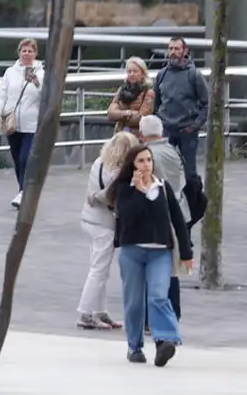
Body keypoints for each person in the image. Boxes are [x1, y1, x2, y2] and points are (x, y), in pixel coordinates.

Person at [108, 145, 192, 366]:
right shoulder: (125, 189)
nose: (146, 165)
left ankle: (165, 340)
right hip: (132, 251)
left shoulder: (163, 187)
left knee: (158, 296)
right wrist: (138, 191)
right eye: (141, 161)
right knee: (134, 301)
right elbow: (128, 217)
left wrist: (186, 252)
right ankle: (134, 347)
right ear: (132, 166)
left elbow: (178, 221)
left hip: (160, 252)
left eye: (148, 160)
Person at [78, 130, 139, 330]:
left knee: (97, 268)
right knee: (99, 270)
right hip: (104, 223)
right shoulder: (118, 172)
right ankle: (86, 313)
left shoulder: (99, 162)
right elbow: (111, 194)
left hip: (89, 218)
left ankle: (99, 311)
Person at [140, 114, 191, 316]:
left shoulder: (147, 155)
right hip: (179, 209)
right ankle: (173, 312)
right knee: (172, 268)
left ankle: (152, 316)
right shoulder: (172, 150)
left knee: (154, 268)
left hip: (160, 215)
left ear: (143, 133)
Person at [0, 38, 46, 208]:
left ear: (35, 53)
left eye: (30, 51)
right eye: (24, 51)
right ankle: (24, 191)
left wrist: (36, 83)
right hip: (12, 123)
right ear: (19, 52)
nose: (27, 54)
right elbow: (2, 95)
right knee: (16, 158)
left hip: (32, 123)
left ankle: (23, 193)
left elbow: (47, 97)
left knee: (25, 159)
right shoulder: (10, 72)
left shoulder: (42, 73)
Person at [153, 38, 209, 186]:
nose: (173, 52)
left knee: (190, 174)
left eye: (177, 49)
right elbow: (155, 103)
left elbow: (206, 104)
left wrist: (195, 126)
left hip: (187, 131)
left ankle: (195, 205)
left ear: (185, 51)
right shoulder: (161, 75)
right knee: (163, 171)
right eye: (170, 48)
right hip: (166, 132)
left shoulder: (194, 75)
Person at [107, 56, 156, 132]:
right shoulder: (121, 90)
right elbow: (110, 114)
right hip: (120, 133)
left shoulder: (148, 92)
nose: (132, 74)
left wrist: (119, 116)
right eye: (129, 71)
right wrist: (127, 113)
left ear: (143, 74)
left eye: (135, 71)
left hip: (138, 137)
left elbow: (141, 118)